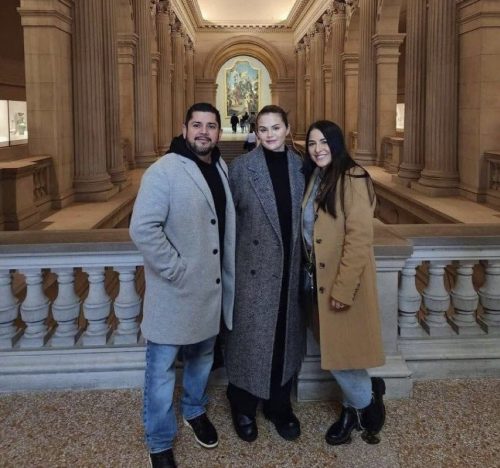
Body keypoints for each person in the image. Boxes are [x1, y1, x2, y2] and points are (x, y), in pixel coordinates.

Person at [129, 102, 236, 468]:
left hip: (210, 292)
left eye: (211, 125)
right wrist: (176, 270)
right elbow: (143, 228)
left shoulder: (220, 166)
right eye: (197, 125)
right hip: (175, 291)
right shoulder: (163, 171)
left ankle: (194, 410)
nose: (204, 131)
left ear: (218, 131)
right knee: (161, 370)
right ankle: (159, 441)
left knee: (202, 358)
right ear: (185, 128)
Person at [302, 120, 386, 446]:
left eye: (324, 142)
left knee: (341, 357)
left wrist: (343, 289)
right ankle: (354, 407)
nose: (318, 149)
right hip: (318, 281)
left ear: (336, 144)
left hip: (342, 283)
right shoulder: (317, 176)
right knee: (339, 352)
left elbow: (360, 238)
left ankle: (366, 405)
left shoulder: (353, 178)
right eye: (312, 143)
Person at [225, 105, 305, 443]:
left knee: (285, 338)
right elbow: (228, 224)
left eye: (276, 127)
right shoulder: (241, 168)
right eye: (263, 129)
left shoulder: (301, 167)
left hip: (290, 270)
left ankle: (278, 405)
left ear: (287, 128)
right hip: (253, 272)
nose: (270, 134)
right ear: (255, 132)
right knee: (251, 341)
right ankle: (242, 404)